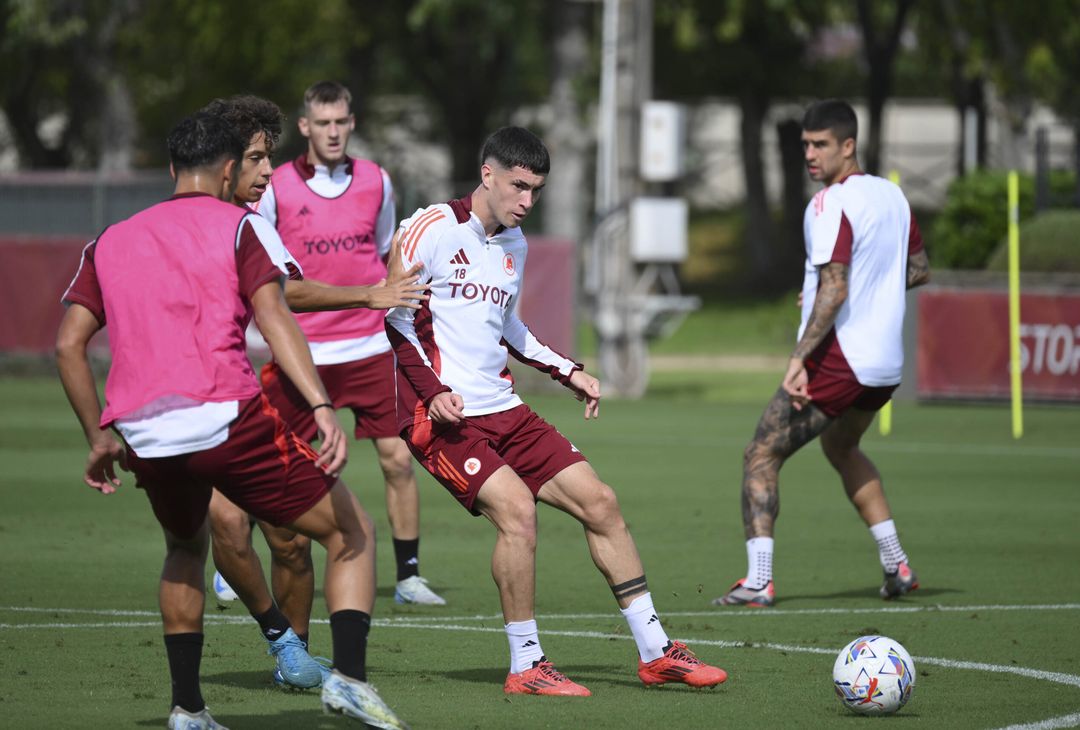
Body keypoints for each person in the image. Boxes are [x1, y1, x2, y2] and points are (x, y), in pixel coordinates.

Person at [56, 111, 407, 730]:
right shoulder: (243, 226)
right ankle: (349, 682)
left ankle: (188, 710)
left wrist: (96, 436)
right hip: (224, 416)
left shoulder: (109, 238)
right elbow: (274, 317)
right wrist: (321, 405)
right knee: (351, 533)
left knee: (184, 551)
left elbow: (67, 346)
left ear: (171, 170)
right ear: (226, 170)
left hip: (143, 430)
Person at [385, 126, 727, 696]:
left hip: (505, 408)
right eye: (519, 186)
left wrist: (569, 371)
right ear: (487, 174)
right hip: (441, 416)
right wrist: (431, 393)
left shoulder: (514, 244)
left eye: (537, 190)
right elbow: (393, 319)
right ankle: (526, 665)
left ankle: (657, 652)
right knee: (518, 513)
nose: (527, 202)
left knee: (601, 502)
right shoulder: (429, 229)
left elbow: (511, 329)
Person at [199, 94, 428, 691]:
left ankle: (264, 664)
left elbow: (76, 336)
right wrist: (367, 295)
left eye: (268, 159)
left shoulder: (242, 221)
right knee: (271, 527)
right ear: (228, 164)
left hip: (231, 388)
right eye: (255, 159)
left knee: (270, 534)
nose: (266, 173)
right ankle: (319, 666)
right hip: (222, 389)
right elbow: (280, 296)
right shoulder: (230, 220)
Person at [238, 81, 447, 612]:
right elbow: (264, 272)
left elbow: (387, 252)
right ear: (305, 126)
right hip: (302, 353)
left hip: (371, 347)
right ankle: (236, 559)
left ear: (352, 123)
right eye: (322, 123)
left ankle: (408, 575)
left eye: (341, 122)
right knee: (270, 460)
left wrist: (403, 301)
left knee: (399, 460)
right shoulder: (275, 185)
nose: (332, 132)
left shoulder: (377, 180)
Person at [714, 99, 931, 608]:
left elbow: (835, 289)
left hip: (841, 360)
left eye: (820, 145)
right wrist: (838, 293)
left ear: (848, 146)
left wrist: (797, 359)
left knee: (761, 454)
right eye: (805, 144)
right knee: (841, 448)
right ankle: (897, 564)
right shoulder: (893, 196)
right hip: (885, 367)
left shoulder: (829, 203)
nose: (810, 154)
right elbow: (918, 269)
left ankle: (758, 580)